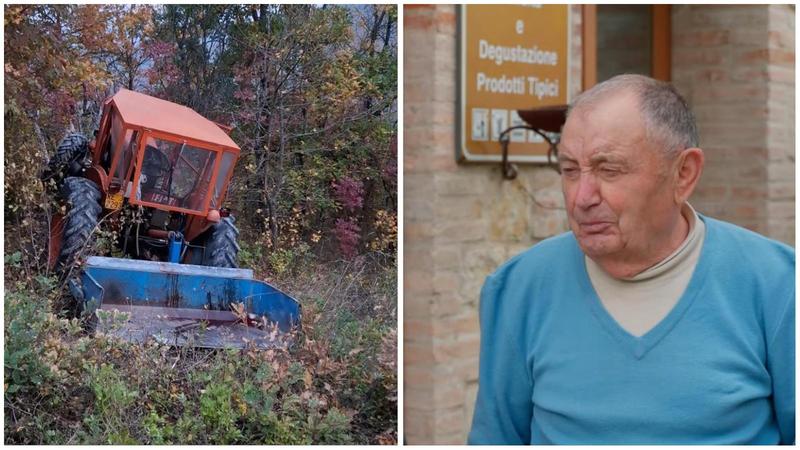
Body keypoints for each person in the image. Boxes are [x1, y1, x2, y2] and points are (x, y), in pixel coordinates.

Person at [468, 74, 794, 444]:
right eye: (570, 170)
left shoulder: (779, 287)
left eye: (609, 169)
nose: (581, 197)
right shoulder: (516, 289)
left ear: (683, 174)